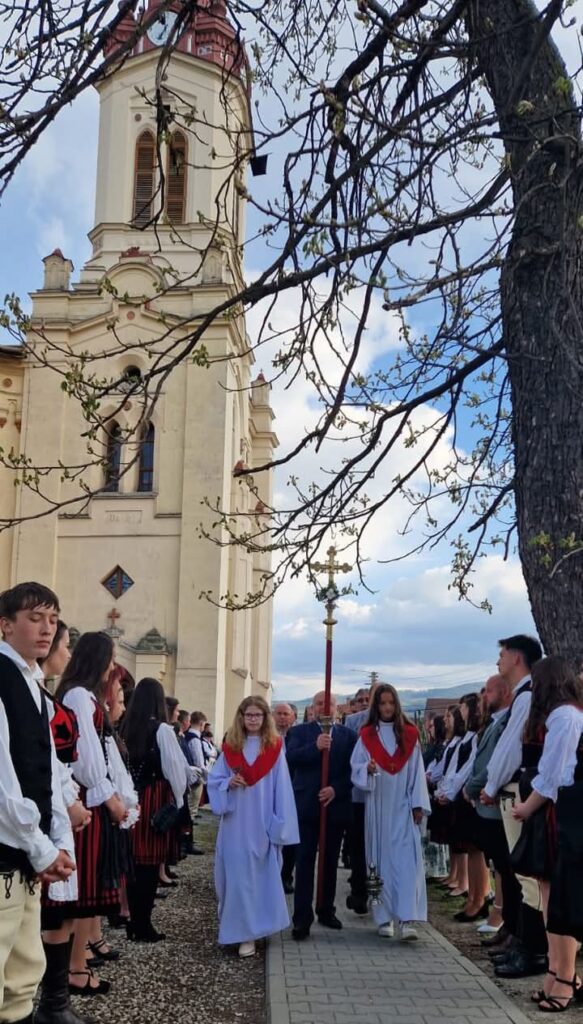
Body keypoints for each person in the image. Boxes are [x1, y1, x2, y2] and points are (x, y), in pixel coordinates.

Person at [0, 583, 76, 1024]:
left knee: (22, 979)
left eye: (53, 619)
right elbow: (3, 782)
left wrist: (56, 840)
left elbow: (45, 769)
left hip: (24, 858)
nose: (47, 628)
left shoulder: (32, 682)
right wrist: (42, 848)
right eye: (34, 618)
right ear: (6, 625)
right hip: (5, 853)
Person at [55, 632, 127, 995]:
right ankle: (74, 967)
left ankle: (76, 962)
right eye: (110, 659)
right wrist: (109, 798)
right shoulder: (79, 696)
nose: (112, 667)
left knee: (86, 887)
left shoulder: (83, 696)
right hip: (84, 797)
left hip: (89, 795)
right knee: (80, 888)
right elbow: (86, 756)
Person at [511, 657, 583, 1011]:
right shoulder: (561, 715)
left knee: (559, 899)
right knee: (548, 893)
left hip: (561, 812)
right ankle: (557, 970)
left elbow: (555, 774)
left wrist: (527, 806)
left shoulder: (566, 716)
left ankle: (565, 977)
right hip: (555, 810)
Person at [207, 696, 298, 957]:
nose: (254, 719)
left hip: (262, 823)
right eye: (249, 715)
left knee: (259, 876)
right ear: (241, 717)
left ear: (265, 718)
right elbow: (214, 780)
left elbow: (282, 788)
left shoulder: (274, 748)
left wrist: (280, 824)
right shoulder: (231, 747)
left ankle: (255, 930)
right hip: (235, 824)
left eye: (258, 715)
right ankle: (240, 931)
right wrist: (227, 783)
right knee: (236, 877)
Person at [480, 634, 547, 979]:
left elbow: (511, 750)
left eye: (503, 654)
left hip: (519, 791)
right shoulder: (525, 694)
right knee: (520, 875)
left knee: (526, 876)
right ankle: (524, 942)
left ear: (517, 658)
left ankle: (533, 950)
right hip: (513, 790)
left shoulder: (527, 695)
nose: (499, 661)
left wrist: (491, 784)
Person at [351, 684, 430, 940]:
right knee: (380, 861)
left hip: (403, 807)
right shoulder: (367, 736)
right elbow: (356, 767)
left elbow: (417, 772)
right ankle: (384, 918)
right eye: (382, 703)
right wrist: (367, 769)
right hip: (378, 807)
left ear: (397, 705)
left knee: (406, 864)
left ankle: (406, 919)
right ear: (376, 706)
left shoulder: (409, 735)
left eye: (391, 703)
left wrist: (418, 804)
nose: (387, 708)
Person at [120, 678, 192, 942]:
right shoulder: (162, 729)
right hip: (153, 798)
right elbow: (175, 771)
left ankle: (133, 920)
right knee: (149, 866)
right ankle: (143, 925)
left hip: (130, 798)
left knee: (133, 863)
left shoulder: (125, 727)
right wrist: (179, 803)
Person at [286, 691, 356, 941]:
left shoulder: (348, 736)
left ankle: (326, 909)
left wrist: (336, 789)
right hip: (306, 806)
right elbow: (290, 758)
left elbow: (353, 770)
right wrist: (314, 748)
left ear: (337, 708)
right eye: (319, 704)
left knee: (329, 861)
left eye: (330, 704)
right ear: (312, 708)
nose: (324, 708)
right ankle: (301, 918)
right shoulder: (299, 732)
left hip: (334, 807)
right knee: (304, 861)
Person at [464, 674, 520, 942]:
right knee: (498, 865)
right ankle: (506, 922)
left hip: (496, 807)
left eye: (488, 691)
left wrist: (473, 787)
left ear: (505, 693)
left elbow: (492, 765)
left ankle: (507, 922)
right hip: (485, 805)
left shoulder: (507, 723)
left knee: (506, 869)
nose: (484, 697)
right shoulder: (494, 723)